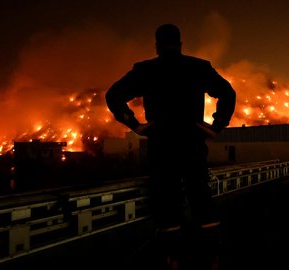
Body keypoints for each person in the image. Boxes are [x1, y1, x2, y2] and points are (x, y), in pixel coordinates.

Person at [105, 23, 236, 269]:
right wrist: (216, 126)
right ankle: (212, 257)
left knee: (166, 198)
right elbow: (227, 92)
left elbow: (113, 95)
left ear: (156, 46)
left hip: (161, 143)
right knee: (200, 195)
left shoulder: (145, 70)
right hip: (192, 142)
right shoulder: (198, 67)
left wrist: (135, 125)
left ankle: (171, 258)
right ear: (181, 44)